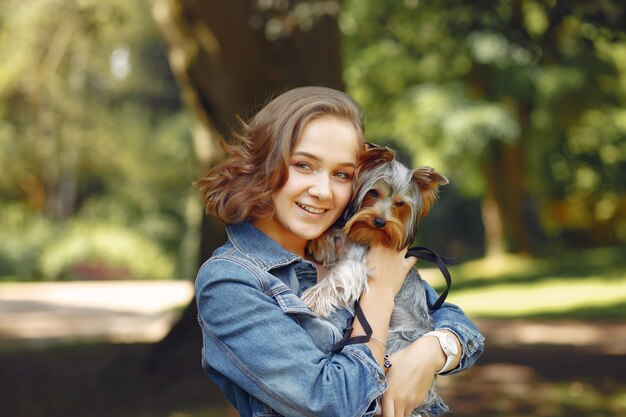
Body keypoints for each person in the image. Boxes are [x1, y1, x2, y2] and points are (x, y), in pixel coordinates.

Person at [195, 86, 484, 417]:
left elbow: (459, 325)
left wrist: (431, 351)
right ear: (266, 162)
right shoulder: (230, 281)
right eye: (304, 165)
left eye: (342, 174)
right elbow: (333, 403)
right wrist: (378, 294)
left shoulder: (348, 246)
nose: (322, 191)